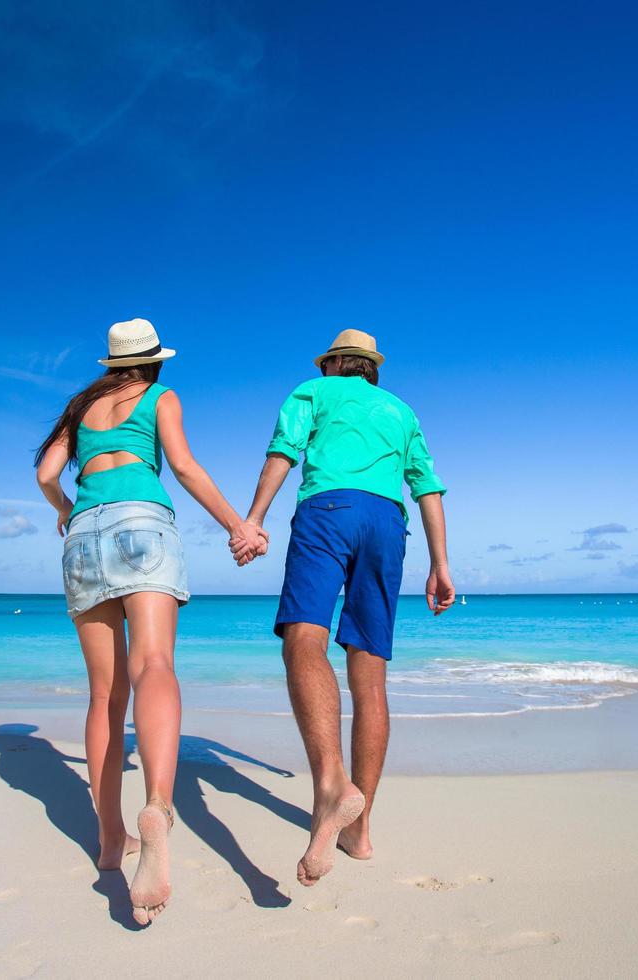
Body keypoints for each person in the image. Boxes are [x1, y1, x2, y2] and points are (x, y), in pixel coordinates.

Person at [35, 318, 267, 925]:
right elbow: (184, 467)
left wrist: (66, 509)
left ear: (111, 363)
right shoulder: (161, 396)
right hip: (143, 523)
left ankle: (111, 840)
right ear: (155, 362)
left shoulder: (80, 407)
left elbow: (44, 475)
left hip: (84, 534)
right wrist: (238, 527)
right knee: (155, 665)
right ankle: (158, 807)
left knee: (105, 693)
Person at [237, 328, 453, 887]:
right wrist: (440, 565)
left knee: (304, 639)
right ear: (371, 367)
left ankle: (333, 783)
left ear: (334, 362)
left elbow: (283, 453)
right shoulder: (403, 411)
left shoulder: (312, 391)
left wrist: (254, 519)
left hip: (327, 510)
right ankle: (360, 832)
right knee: (371, 678)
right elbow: (427, 487)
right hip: (388, 522)